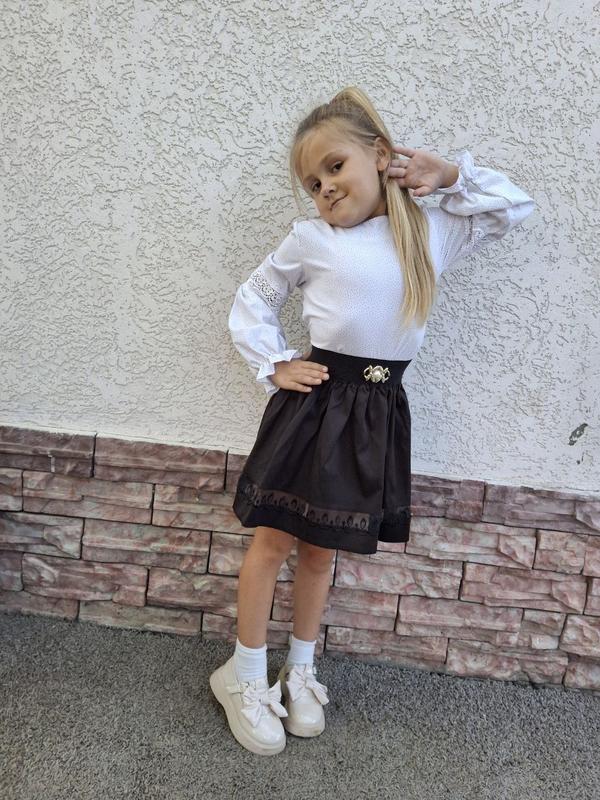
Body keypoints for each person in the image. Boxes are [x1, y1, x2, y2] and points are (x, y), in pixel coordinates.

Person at [209, 85, 536, 756]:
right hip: (315, 408)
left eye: (335, 166)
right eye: (313, 182)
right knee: (273, 543)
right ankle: (241, 674)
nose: (325, 187)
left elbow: (513, 207)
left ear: (381, 156)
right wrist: (274, 363)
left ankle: (301, 670)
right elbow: (255, 297)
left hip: (377, 413)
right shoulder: (312, 239)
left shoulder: (431, 232)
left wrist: (449, 175)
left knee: (321, 551)